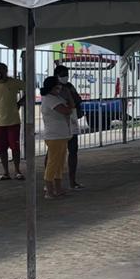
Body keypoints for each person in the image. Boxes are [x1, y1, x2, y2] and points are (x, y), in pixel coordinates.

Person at [0, 62, 25, 181]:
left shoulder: (14, 82)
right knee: (2, 149)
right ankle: (5, 172)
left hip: (13, 121)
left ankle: (17, 171)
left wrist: (20, 102)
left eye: (1, 70)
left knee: (15, 148)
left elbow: (29, 88)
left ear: (6, 71)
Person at [53, 63, 86, 192]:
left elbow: (77, 100)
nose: (65, 77)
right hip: (58, 123)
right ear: (57, 76)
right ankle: (50, 182)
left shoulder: (69, 86)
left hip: (71, 122)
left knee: (73, 151)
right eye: (62, 75)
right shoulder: (53, 88)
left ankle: (72, 181)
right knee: (54, 154)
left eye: (66, 75)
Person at [40, 75, 73, 199]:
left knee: (59, 163)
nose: (60, 88)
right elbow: (66, 110)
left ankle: (58, 188)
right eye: (58, 86)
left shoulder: (55, 97)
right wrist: (69, 104)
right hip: (54, 135)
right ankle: (49, 190)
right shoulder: (50, 99)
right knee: (53, 163)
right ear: (52, 87)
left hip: (61, 134)